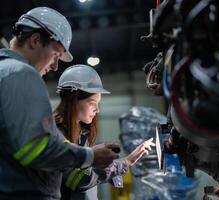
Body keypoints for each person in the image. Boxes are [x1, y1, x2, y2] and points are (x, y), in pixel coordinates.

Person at [0, 7, 119, 200]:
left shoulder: (4, 71)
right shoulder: (21, 74)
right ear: (35, 40)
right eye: (56, 54)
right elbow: (35, 149)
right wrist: (91, 156)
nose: (56, 66)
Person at [54, 64, 155, 200]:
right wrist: (127, 161)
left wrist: (111, 166)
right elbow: (78, 180)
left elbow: (90, 172)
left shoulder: (81, 134)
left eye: (98, 103)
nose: (97, 110)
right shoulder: (56, 135)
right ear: (73, 100)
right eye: (92, 103)